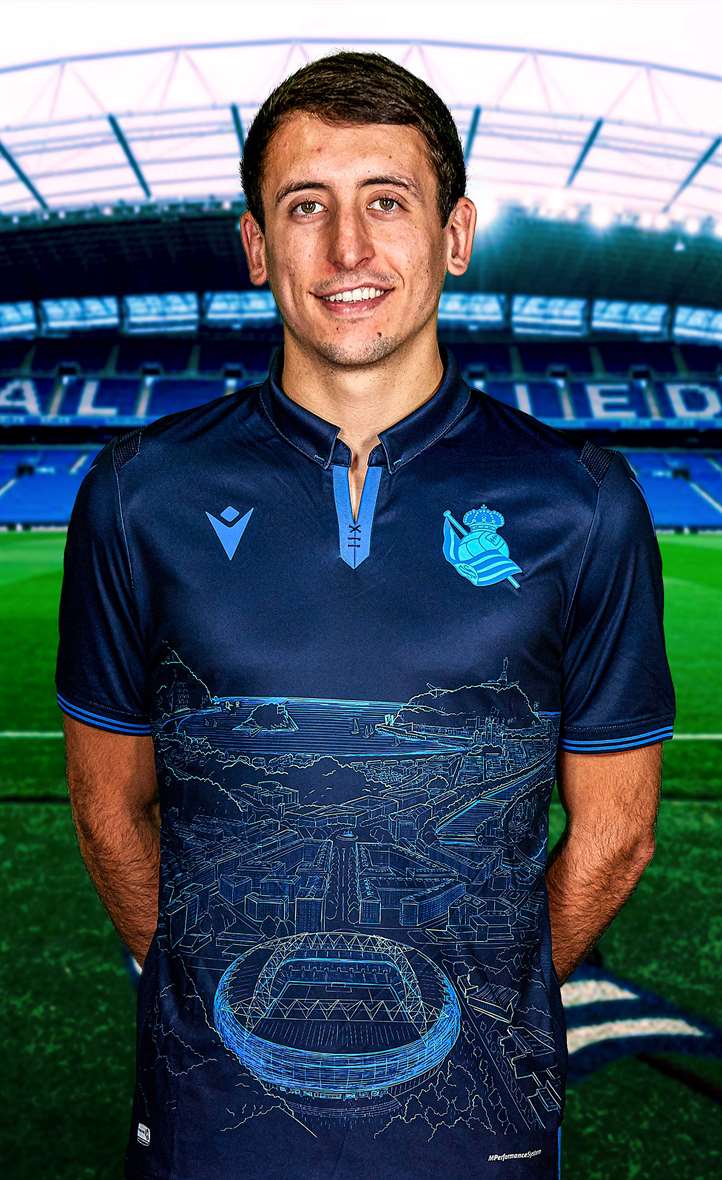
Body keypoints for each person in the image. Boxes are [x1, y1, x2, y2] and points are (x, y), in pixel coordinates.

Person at [56, 49, 676, 1180]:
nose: (348, 250)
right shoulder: (139, 490)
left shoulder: (582, 500)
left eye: (386, 201)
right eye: (307, 207)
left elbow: (617, 830)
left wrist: (490, 988)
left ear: (454, 234)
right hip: (207, 1133)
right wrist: (196, 977)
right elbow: (108, 806)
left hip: (478, 1138)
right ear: (257, 246)